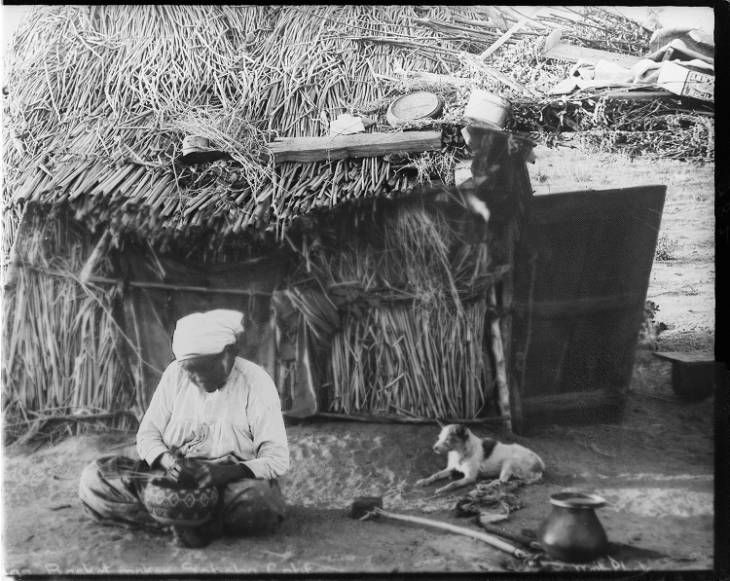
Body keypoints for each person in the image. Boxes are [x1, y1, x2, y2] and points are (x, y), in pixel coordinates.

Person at [78, 309, 290, 547]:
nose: (196, 380)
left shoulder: (256, 382)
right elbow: (147, 436)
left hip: (229, 485)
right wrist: (171, 463)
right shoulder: (175, 374)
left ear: (230, 352)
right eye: (190, 372)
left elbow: (277, 460)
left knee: (262, 502)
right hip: (167, 476)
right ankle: (194, 522)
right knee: (94, 478)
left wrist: (223, 474)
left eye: (205, 369)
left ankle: (170, 520)